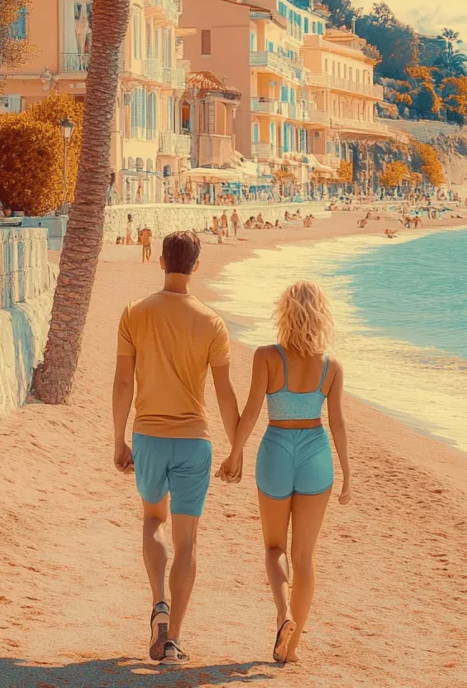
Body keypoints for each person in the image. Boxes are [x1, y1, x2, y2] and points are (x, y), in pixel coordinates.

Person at [112, 231, 241, 666]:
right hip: (195, 441)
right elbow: (224, 394)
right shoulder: (212, 322)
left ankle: (159, 603)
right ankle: (173, 641)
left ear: (161, 261)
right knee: (187, 541)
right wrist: (237, 448)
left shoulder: (135, 313)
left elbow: (123, 383)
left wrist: (118, 438)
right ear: (196, 265)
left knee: (153, 520)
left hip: (148, 435)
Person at [217, 282, 351, 665]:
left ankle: (283, 614)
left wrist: (235, 454)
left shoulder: (267, 357)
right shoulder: (331, 366)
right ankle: (290, 649)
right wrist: (347, 474)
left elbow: (253, 409)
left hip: (276, 450)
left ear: (285, 313)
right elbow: (338, 424)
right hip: (316, 455)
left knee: (275, 548)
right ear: (321, 315)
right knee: (305, 555)